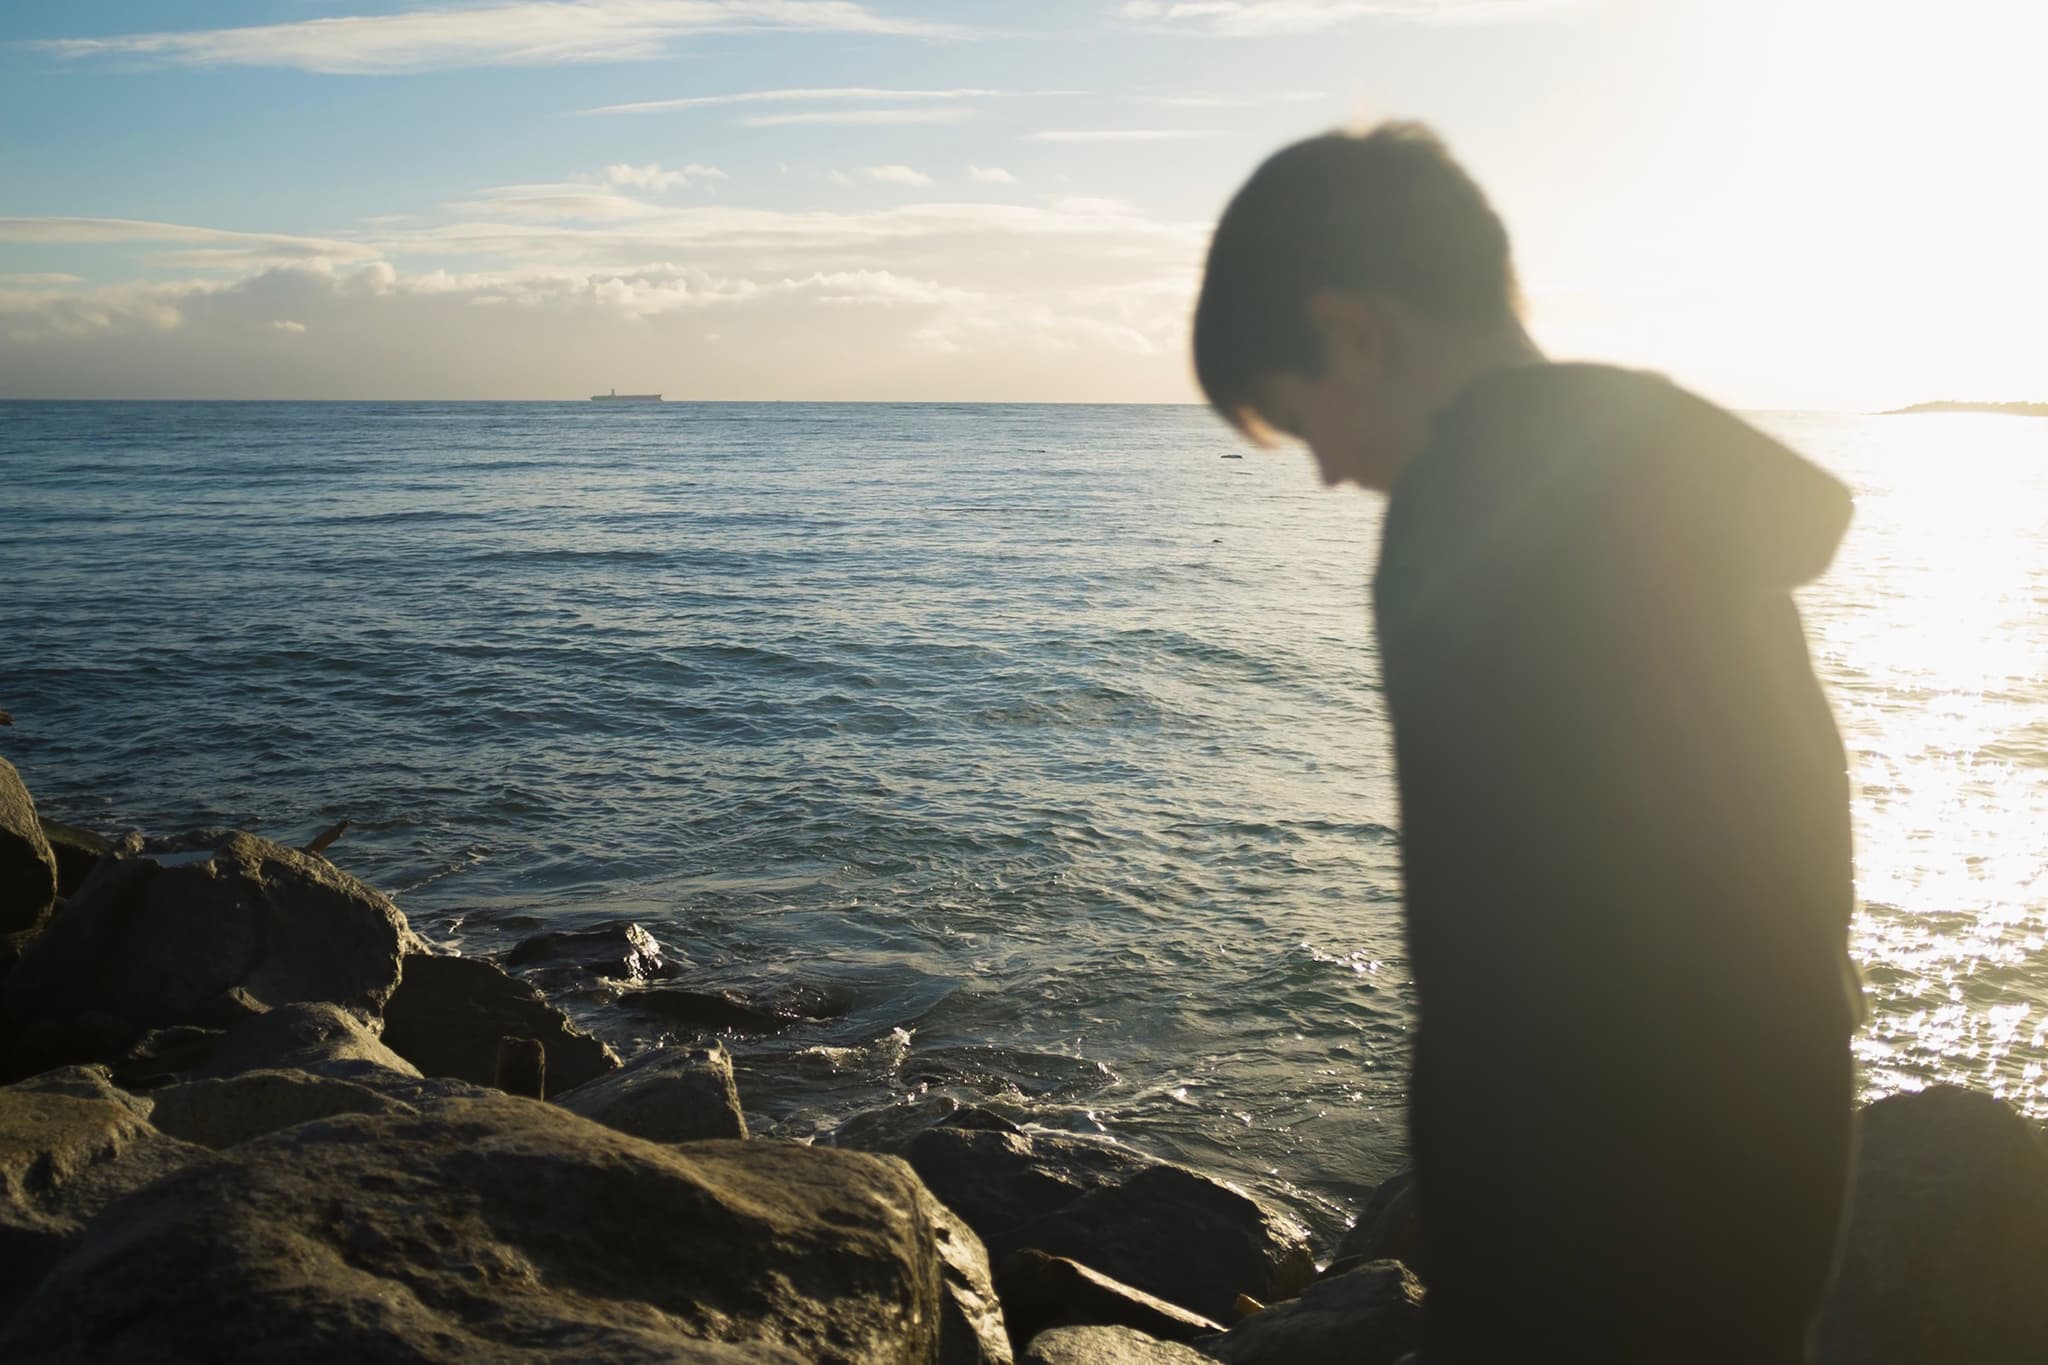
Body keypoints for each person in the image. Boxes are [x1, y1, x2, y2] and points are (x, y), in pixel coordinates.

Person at [1192, 122, 1865, 1364]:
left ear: (1353, 333)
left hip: (1589, 1192)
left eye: (1298, 418)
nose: (1327, 473)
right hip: (1778, 1124)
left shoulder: (1459, 513)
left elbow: (1487, 942)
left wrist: (1480, 1270)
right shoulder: (1667, 471)